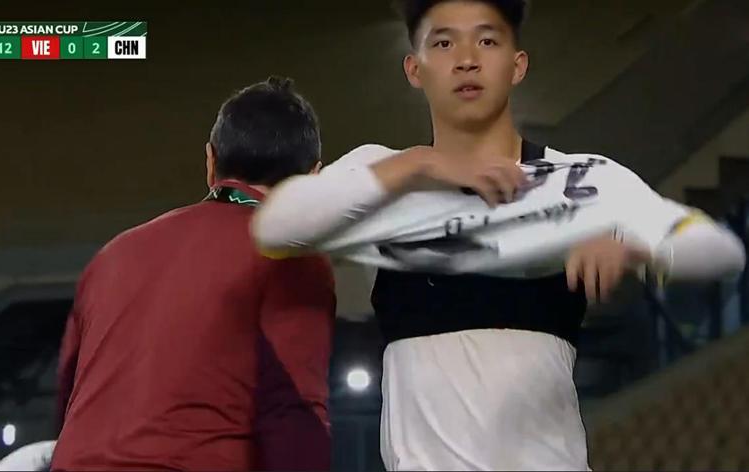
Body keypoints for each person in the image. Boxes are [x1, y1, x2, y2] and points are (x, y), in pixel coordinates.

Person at [251, 1, 746, 470]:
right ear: (415, 69)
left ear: (517, 64)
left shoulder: (582, 179)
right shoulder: (384, 175)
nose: (466, 59)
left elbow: (719, 251)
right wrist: (422, 164)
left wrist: (635, 248)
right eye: (444, 43)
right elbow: (278, 224)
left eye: (487, 41)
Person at [51, 77, 336, 471]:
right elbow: (294, 415)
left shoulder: (114, 254)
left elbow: (68, 399)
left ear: (210, 161)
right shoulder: (289, 256)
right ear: (314, 178)